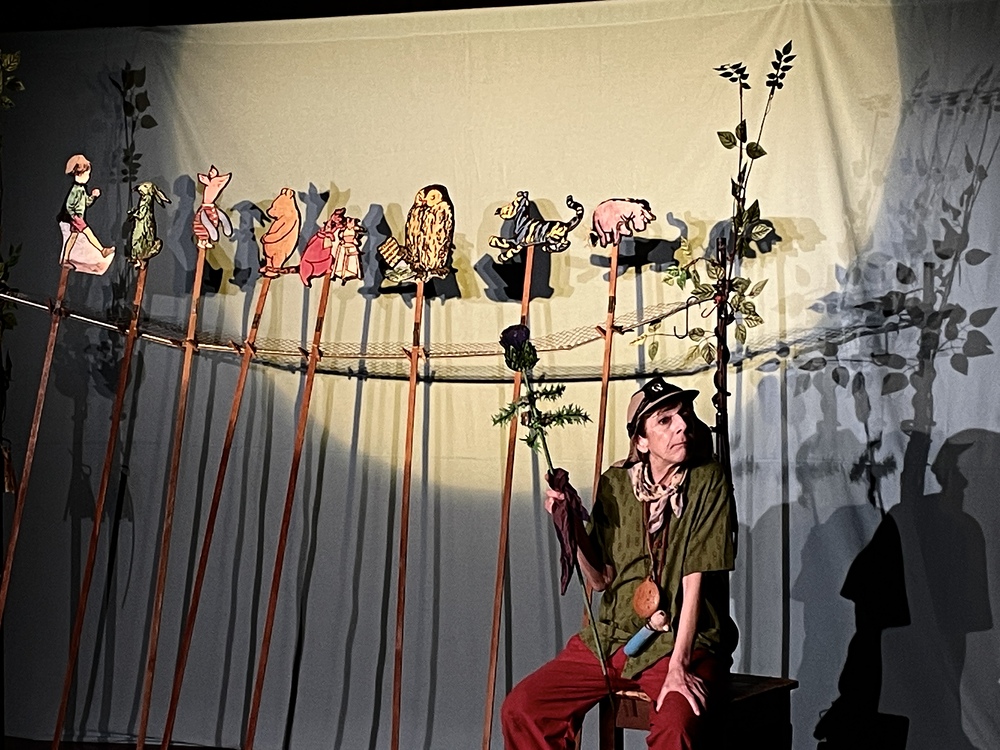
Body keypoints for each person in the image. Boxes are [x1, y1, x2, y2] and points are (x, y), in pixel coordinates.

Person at [501, 376, 738, 749]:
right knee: (523, 708)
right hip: (615, 638)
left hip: (680, 641)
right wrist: (571, 526)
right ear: (641, 440)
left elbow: (694, 578)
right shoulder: (615, 483)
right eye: (665, 420)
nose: (682, 425)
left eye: (684, 415)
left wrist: (679, 667)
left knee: (675, 726)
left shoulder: (707, 479)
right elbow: (600, 580)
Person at [58, 154, 115, 263]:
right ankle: (102, 250)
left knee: (73, 237)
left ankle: (65, 258)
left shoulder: (82, 189)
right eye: (87, 174)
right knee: (88, 232)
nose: (88, 177)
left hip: (77, 217)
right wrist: (74, 216)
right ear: (78, 174)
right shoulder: (75, 190)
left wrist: (93, 196)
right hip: (76, 218)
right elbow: (69, 204)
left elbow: (87, 203)